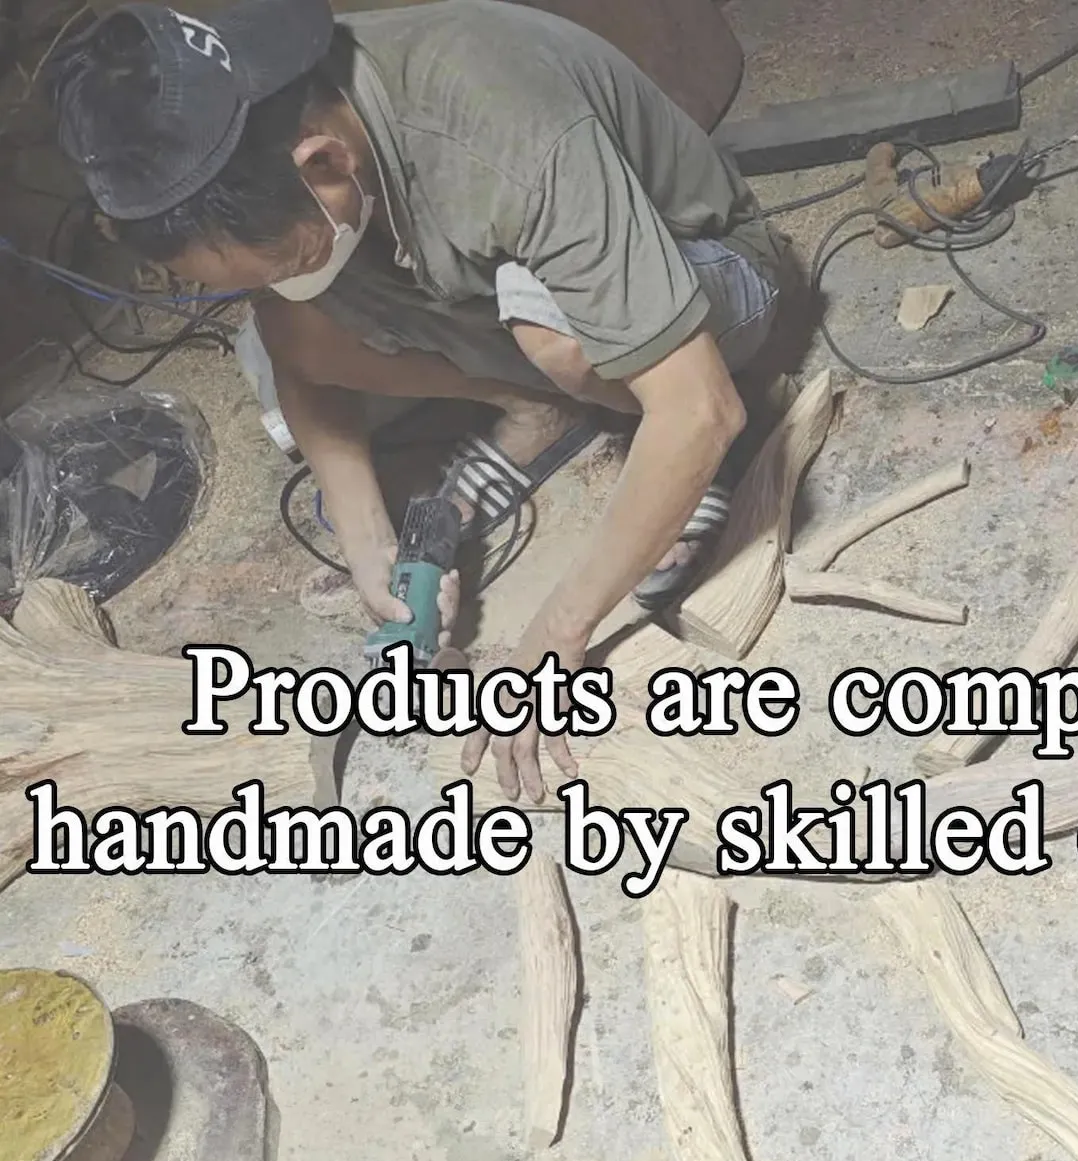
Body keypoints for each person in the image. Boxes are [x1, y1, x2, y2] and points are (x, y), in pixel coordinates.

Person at [51, 0, 787, 799]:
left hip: (715, 270)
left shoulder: (503, 126)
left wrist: (554, 638)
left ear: (324, 163)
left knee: (559, 333)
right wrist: (369, 544)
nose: (275, 284)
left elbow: (701, 408)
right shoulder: (270, 146)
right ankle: (544, 412)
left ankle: (658, 445)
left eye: (280, 262)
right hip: (494, 266)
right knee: (288, 337)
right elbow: (296, 351)